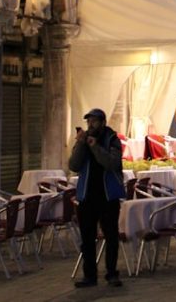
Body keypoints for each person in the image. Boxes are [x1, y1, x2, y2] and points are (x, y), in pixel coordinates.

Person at [69, 108, 125, 288]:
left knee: (111, 236)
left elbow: (111, 163)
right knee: (87, 238)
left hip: (108, 196)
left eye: (94, 121)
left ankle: (111, 273)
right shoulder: (84, 141)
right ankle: (89, 276)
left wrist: (95, 147)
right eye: (88, 122)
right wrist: (81, 145)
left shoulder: (112, 140)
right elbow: (74, 166)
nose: (90, 125)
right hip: (87, 195)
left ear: (102, 122)